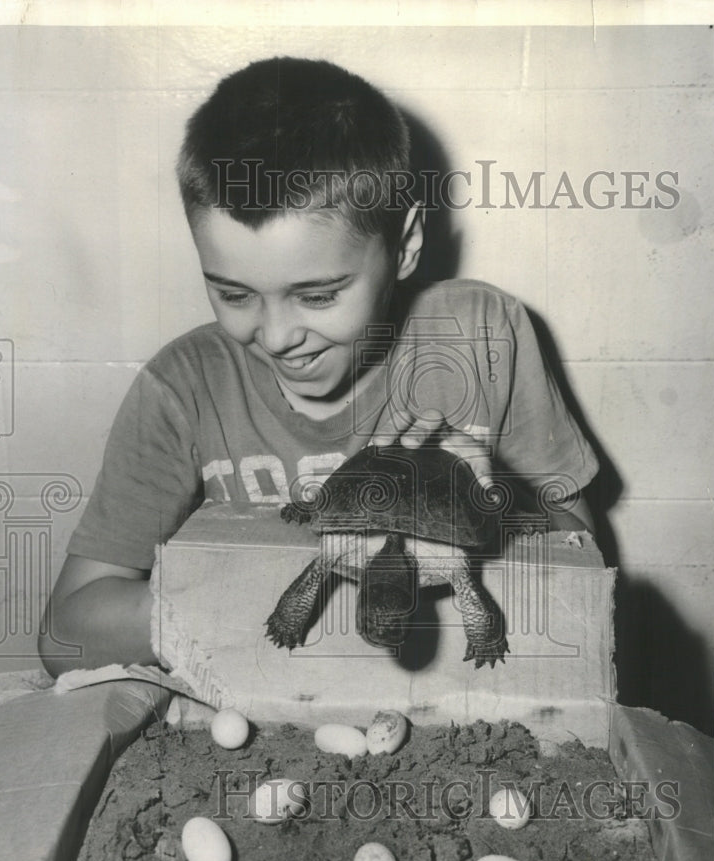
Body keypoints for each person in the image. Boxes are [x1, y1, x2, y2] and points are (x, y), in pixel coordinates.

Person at [39, 57, 598, 677]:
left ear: (405, 243)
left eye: (318, 295)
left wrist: (493, 507)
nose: (277, 337)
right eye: (234, 294)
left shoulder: (477, 335)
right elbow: (65, 638)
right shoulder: (186, 385)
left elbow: (582, 553)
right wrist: (257, 572)